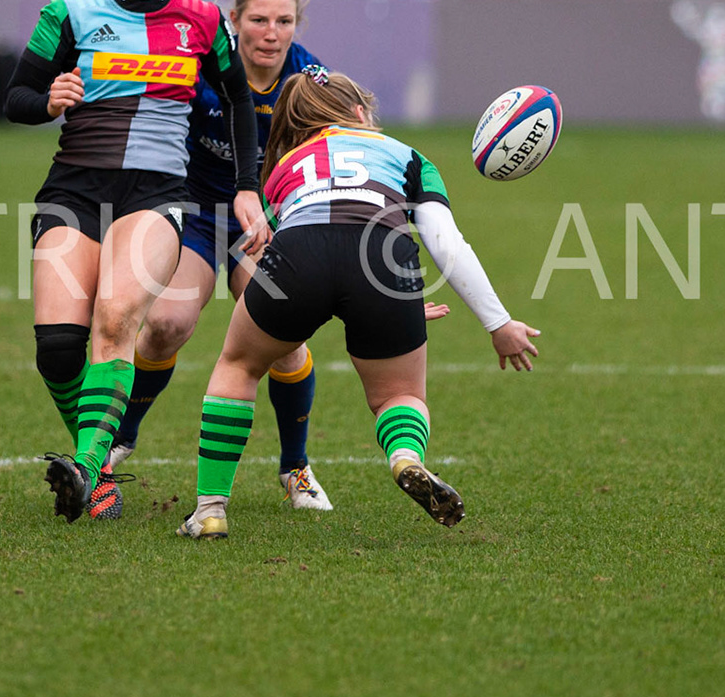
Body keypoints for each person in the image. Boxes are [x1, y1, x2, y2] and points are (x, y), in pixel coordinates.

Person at [3, 0, 269, 521]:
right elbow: (15, 98)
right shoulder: (68, 13)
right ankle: (93, 464)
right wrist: (48, 102)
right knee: (57, 347)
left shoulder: (203, 20)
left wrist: (247, 186)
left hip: (156, 194)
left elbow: (239, 99)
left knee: (117, 318)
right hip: (74, 189)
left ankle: (87, 468)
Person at [177, 70, 542, 539]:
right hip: (385, 261)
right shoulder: (408, 156)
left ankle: (210, 510)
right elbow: (445, 242)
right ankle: (405, 458)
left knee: (239, 366)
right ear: (358, 112)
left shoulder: (284, 166)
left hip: (298, 252)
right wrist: (496, 322)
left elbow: (272, 249)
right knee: (398, 396)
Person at [105, 0, 335, 512]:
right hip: (198, 214)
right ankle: (118, 442)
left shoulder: (310, 80)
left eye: (283, 21)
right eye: (259, 20)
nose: (271, 33)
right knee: (165, 324)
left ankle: (295, 467)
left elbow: (341, 147)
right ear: (234, 19)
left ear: (297, 26)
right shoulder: (202, 67)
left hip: (265, 220)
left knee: (282, 337)